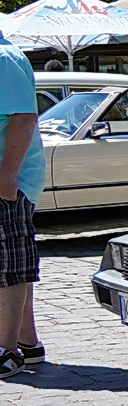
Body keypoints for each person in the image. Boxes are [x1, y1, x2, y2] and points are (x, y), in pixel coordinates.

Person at [0, 25, 46, 378]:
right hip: (8, 181)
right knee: (12, 264)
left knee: (9, 268)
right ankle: (27, 343)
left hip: (7, 182)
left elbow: (24, 119)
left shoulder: (3, 58)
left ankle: (7, 350)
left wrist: (6, 179)